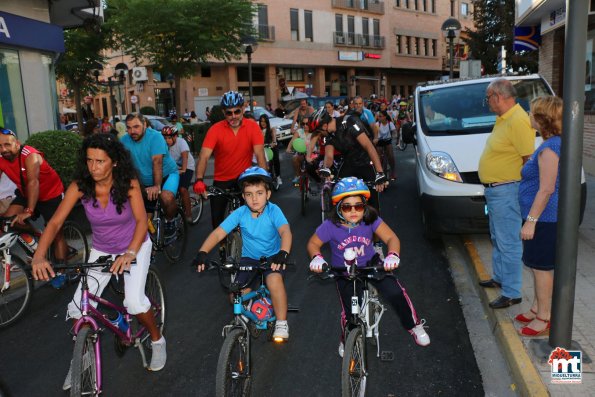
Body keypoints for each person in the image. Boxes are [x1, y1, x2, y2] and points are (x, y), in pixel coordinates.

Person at [30, 134, 167, 387]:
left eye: (100, 161)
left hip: (134, 245)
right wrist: (39, 255)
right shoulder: (81, 185)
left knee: (134, 302)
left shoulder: (129, 183)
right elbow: (56, 222)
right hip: (102, 250)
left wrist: (130, 254)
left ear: (114, 162)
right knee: (76, 308)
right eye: (90, 160)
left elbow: (140, 222)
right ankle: (82, 359)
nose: (93, 167)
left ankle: (157, 340)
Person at [307, 177, 430, 356]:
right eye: (347, 207)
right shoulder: (330, 226)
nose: (354, 211)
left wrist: (392, 255)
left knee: (395, 292)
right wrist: (316, 257)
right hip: (344, 270)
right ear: (338, 208)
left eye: (359, 206)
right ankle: (346, 338)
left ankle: (414, 325)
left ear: (365, 205)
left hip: (371, 265)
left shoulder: (371, 220)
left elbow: (391, 238)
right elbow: (312, 243)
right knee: (349, 312)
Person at [193, 167, 292, 341]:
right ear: (243, 196)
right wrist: (203, 251)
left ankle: (282, 322)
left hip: (273, 257)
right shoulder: (240, 213)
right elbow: (218, 233)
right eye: (249, 194)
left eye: (259, 193)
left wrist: (283, 252)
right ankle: (252, 307)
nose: (254, 199)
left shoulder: (273, 210)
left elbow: (285, 231)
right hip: (249, 258)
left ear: (268, 194)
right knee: (235, 295)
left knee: (274, 280)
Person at [478, 78, 536, 309]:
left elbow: (528, 161)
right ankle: (500, 277)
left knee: (508, 242)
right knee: (497, 238)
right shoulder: (503, 119)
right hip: (496, 191)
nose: (488, 102)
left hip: (507, 190)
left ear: (498, 97)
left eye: (488, 98)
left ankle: (512, 292)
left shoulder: (518, 120)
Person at [192, 91, 267, 245]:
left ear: (243, 109)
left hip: (244, 179)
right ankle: (223, 249)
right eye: (229, 113)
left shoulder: (253, 127)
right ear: (223, 113)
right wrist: (199, 179)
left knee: (255, 214)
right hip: (221, 179)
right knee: (217, 221)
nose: (233, 116)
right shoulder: (215, 129)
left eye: (237, 111)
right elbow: (204, 156)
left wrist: (263, 179)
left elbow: (260, 155)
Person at [515, 96, 563, 336]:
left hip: (544, 220)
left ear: (542, 119)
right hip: (540, 218)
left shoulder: (551, 147)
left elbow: (546, 189)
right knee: (536, 267)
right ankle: (537, 307)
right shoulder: (550, 144)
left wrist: (531, 222)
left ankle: (545, 317)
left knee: (541, 268)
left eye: (532, 113)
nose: (529, 116)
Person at [0, 126, 67, 259]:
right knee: (7, 221)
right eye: (0, 146)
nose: (3, 149)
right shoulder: (2, 159)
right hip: (26, 193)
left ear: (17, 143)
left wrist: (29, 211)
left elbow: (33, 182)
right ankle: (39, 235)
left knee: (56, 233)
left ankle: (63, 273)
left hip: (50, 195)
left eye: (7, 144)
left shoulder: (30, 155)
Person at [121, 113, 180, 237]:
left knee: (166, 197)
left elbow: (157, 162)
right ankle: (149, 245)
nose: (132, 131)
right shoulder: (124, 141)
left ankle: (171, 220)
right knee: (143, 218)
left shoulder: (156, 137)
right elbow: (122, 164)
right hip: (143, 181)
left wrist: (157, 186)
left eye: (136, 127)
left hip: (167, 175)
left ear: (145, 125)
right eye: (129, 127)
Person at [162, 125, 195, 223]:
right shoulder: (163, 145)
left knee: (182, 189)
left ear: (175, 136)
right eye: (164, 138)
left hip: (187, 166)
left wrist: (184, 169)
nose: (166, 140)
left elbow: (185, 157)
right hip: (173, 168)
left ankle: (188, 214)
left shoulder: (181, 142)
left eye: (169, 137)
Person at [259, 114, 282, 186]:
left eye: (264, 121)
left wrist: (274, 142)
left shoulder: (271, 128)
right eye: (261, 121)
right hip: (264, 147)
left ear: (267, 122)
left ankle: (278, 177)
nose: (263, 123)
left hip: (272, 145)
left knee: (275, 159)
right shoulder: (258, 129)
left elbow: (274, 136)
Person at [375, 110, 397, 181]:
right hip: (379, 142)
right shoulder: (377, 124)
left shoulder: (390, 124)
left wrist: (394, 136)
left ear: (385, 117)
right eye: (378, 116)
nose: (379, 118)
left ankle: (393, 172)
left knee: (391, 156)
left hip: (387, 141)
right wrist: (375, 139)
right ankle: (379, 172)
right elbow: (375, 134)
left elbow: (394, 132)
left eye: (380, 116)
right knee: (378, 157)